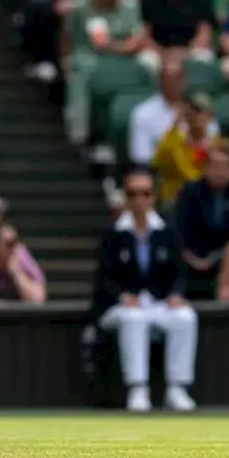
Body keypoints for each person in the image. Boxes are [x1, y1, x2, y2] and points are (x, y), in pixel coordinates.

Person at [92, 170, 197, 412]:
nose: (139, 200)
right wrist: (122, 296)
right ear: (125, 198)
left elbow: (179, 271)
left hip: (158, 304)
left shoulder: (167, 230)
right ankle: (138, 388)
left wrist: (176, 294)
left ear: (153, 198)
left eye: (146, 193)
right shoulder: (112, 232)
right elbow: (103, 277)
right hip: (118, 308)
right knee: (133, 319)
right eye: (132, 194)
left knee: (185, 317)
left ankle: (177, 388)